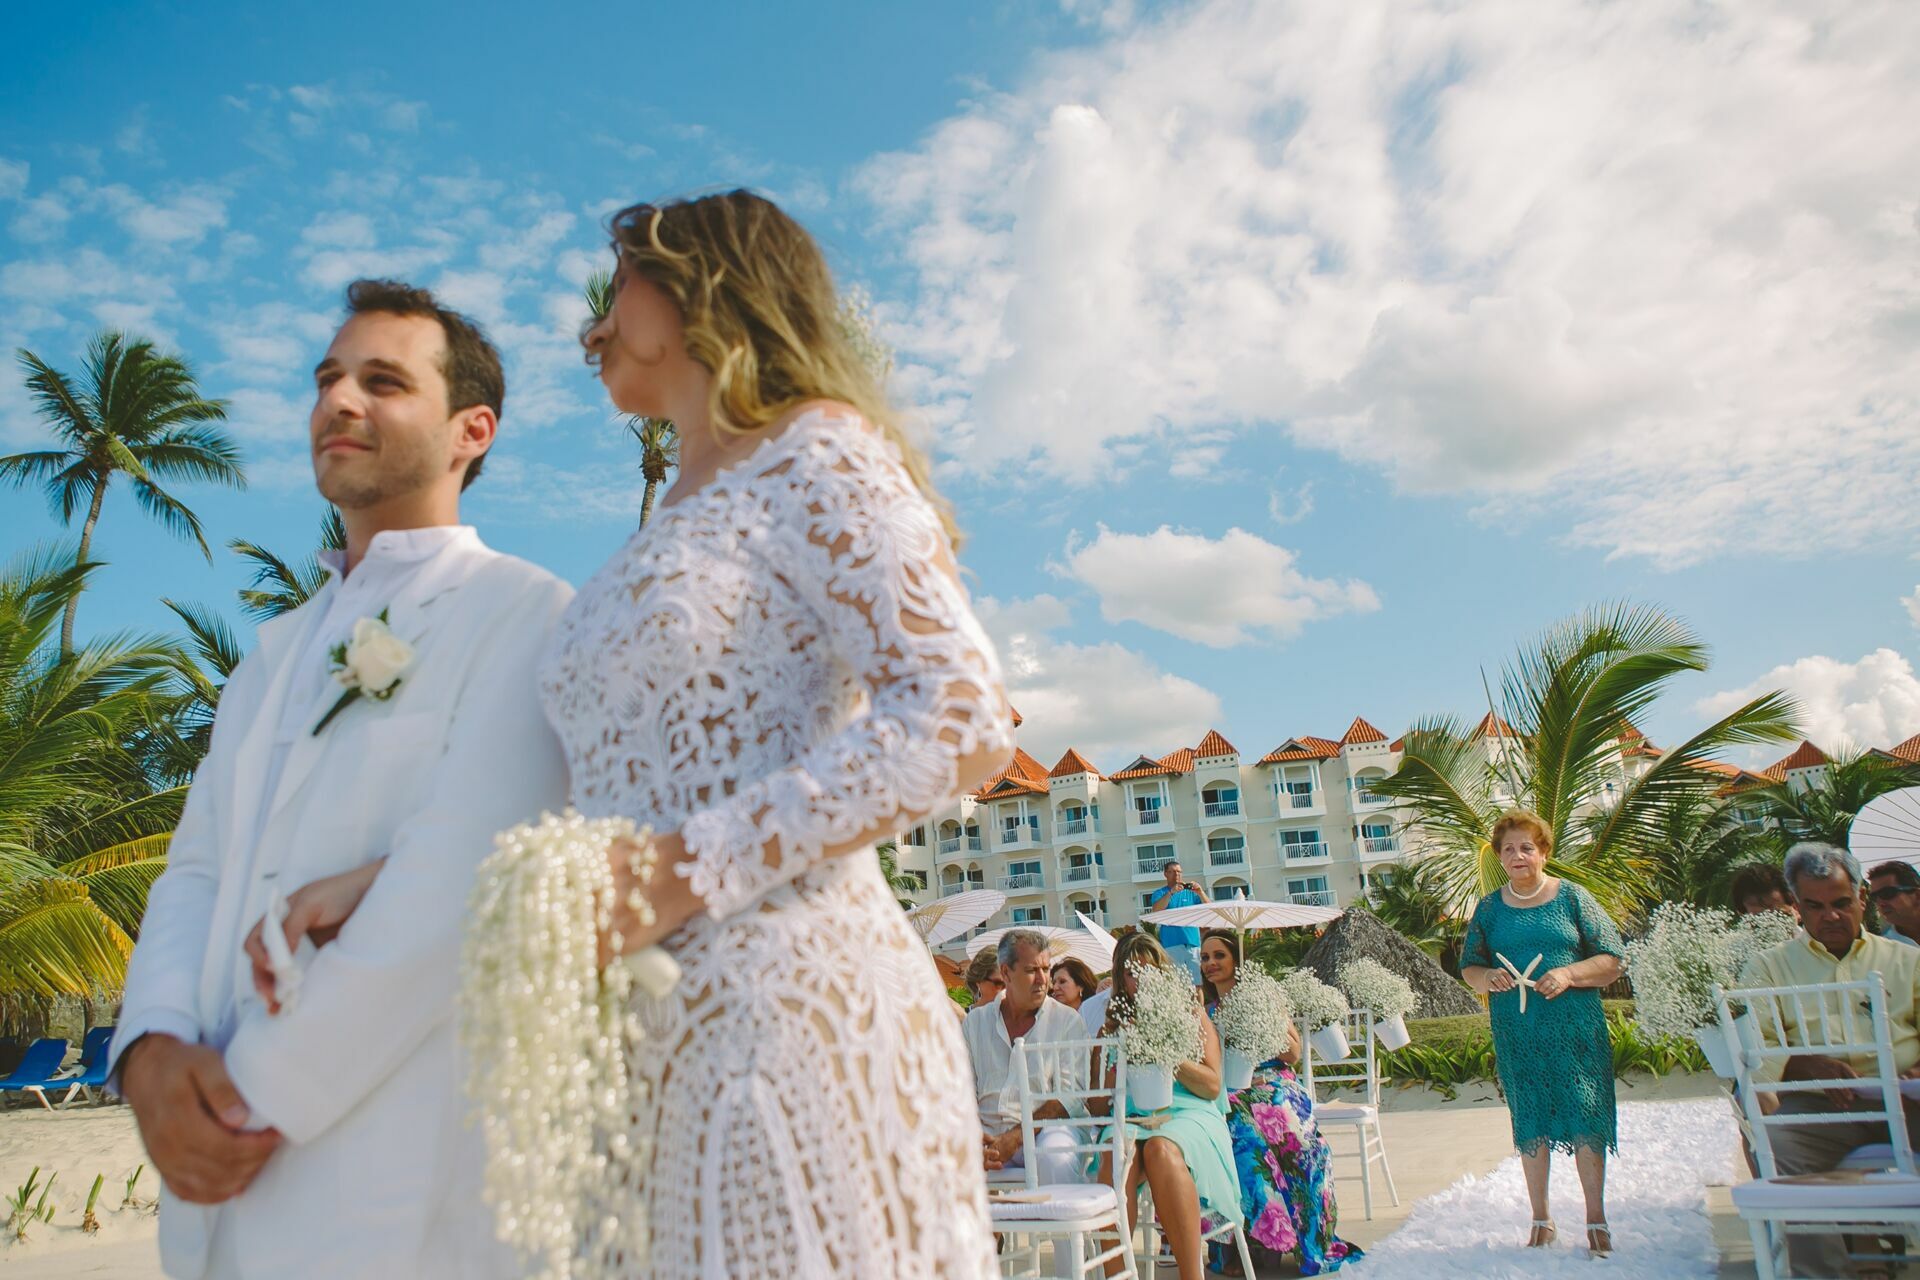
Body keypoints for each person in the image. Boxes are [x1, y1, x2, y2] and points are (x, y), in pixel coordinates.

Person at [561, 190, 1012, 1276]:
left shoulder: (816, 450)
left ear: (693, 292)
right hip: (645, 1050)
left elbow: (961, 712)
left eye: (621, 281)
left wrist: (683, 867)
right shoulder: (671, 507)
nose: (598, 314)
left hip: (795, 1017)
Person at [110, 280, 571, 1279]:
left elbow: (461, 886)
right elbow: (193, 870)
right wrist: (149, 1053)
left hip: (394, 1183)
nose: (340, 401)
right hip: (212, 1202)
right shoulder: (270, 654)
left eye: (383, 381)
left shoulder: (527, 615)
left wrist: (246, 1097)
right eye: (328, 378)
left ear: (470, 430)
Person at [1737, 843, 1920, 1279]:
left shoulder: (1908, 960)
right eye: (1815, 906)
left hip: (1911, 1101)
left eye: (1841, 903)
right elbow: (1755, 1048)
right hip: (1820, 1107)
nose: (1830, 916)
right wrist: (1805, 1064)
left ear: (1861, 899)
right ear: (1797, 907)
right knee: (1775, 1146)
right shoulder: (1768, 967)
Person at [1459, 809, 1625, 1259]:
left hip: (1575, 1031)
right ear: (1499, 856)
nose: (1518, 855)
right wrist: (1488, 977)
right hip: (1518, 1031)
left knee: (1587, 1114)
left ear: (1544, 852)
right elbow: (1468, 966)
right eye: (1509, 848)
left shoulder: (1572, 897)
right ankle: (1540, 1217)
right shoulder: (1490, 909)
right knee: (1530, 1117)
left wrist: (1569, 973)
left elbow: (1612, 958)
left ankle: (1596, 1217)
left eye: (1527, 847)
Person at [1198, 931, 1359, 1274]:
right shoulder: (1205, 1012)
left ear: (1236, 960)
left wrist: (1258, 1019)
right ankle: (1251, 1247)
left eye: (1219, 955)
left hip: (1275, 1083)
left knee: (1289, 1128)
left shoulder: (1265, 998)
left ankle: (1303, 1240)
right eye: (1205, 958)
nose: (1210, 963)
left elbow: (1294, 1053)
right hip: (1230, 1090)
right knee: (1241, 1138)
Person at [1088, 933, 1244, 1280]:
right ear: (1120, 980)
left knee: (1160, 1148)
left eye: (1149, 970)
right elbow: (1096, 1103)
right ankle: (1117, 1277)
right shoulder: (1110, 1027)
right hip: (1131, 1118)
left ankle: (1191, 1275)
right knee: (1118, 1151)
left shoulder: (1192, 1015)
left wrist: (1166, 1051)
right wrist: (1117, 1059)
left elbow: (1212, 1085)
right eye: (1132, 972)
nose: (1141, 979)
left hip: (1189, 1114)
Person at [961, 931, 1090, 1185]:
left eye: (1046, 968)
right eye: (1032, 970)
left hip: (1048, 1130)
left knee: (1055, 1157)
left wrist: (1017, 1136)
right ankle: (981, 1225)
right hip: (986, 1131)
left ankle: (1062, 1225)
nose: (1044, 980)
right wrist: (971, 1134)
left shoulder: (1066, 1021)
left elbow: (1069, 1098)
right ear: (1006, 973)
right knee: (940, 1157)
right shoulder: (975, 1022)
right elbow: (959, 1090)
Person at [1149, 860, 1206, 982]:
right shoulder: (1160, 893)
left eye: (1179, 872)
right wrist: (1171, 893)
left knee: (1198, 984)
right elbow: (1156, 910)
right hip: (1171, 945)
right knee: (1177, 983)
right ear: (1166, 874)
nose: (1177, 875)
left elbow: (1209, 909)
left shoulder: (1191, 893)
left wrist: (1201, 892)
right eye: (1173, 872)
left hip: (1193, 944)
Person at [1867, 859, 1920, 945]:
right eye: (1874, 897)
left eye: (1887, 893)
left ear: (1917, 895)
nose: (1880, 903)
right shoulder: (1885, 949)